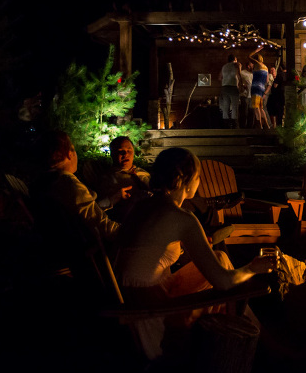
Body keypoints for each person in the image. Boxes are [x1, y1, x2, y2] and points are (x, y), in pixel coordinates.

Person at [114, 147, 277, 360]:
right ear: (187, 180)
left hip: (129, 296)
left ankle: (260, 339)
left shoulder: (142, 205)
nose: (199, 182)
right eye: (198, 177)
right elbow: (222, 282)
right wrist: (253, 267)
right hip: (150, 310)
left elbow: (145, 251)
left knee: (220, 258)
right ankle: (250, 347)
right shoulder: (182, 218)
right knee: (228, 278)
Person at [29, 131, 120, 272]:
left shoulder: (43, 182)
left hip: (56, 247)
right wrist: (134, 231)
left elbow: (81, 210)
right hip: (82, 254)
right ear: (70, 154)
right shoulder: (67, 183)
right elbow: (103, 226)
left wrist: (111, 200)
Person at [91, 136, 151, 223]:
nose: (125, 154)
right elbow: (96, 208)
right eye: (120, 151)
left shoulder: (144, 174)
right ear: (112, 154)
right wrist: (115, 198)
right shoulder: (106, 178)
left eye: (129, 150)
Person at [249, 47, 271, 129]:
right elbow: (267, 80)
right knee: (261, 107)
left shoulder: (257, 64)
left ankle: (260, 125)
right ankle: (267, 125)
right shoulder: (266, 67)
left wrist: (256, 50)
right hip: (262, 88)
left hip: (256, 87)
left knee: (256, 107)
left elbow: (249, 56)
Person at [218, 54, 242, 129]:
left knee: (226, 107)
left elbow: (219, 78)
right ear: (235, 59)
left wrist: (226, 80)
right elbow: (239, 74)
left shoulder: (224, 66)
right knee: (234, 106)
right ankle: (235, 127)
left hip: (224, 87)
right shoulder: (237, 64)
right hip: (233, 87)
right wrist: (240, 83)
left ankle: (226, 127)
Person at [240, 60, 254, 128]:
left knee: (251, 113)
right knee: (244, 113)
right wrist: (242, 85)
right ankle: (243, 128)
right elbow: (238, 81)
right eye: (252, 65)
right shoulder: (242, 73)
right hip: (244, 95)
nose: (253, 66)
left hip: (252, 95)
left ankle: (250, 128)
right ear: (248, 66)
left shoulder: (253, 73)